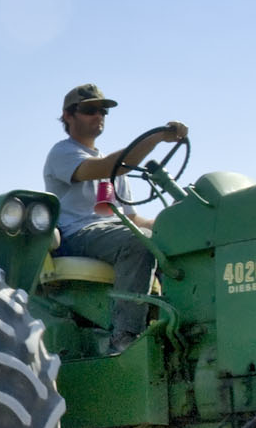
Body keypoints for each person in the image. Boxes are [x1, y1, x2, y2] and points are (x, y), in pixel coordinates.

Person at [42, 83, 186, 356]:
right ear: (68, 116)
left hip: (111, 232)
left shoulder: (115, 169)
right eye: (89, 110)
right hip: (77, 235)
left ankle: (172, 327)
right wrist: (155, 138)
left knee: (176, 241)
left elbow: (129, 217)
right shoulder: (63, 153)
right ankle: (125, 336)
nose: (98, 116)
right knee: (138, 243)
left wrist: (175, 223)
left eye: (102, 111)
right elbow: (107, 167)